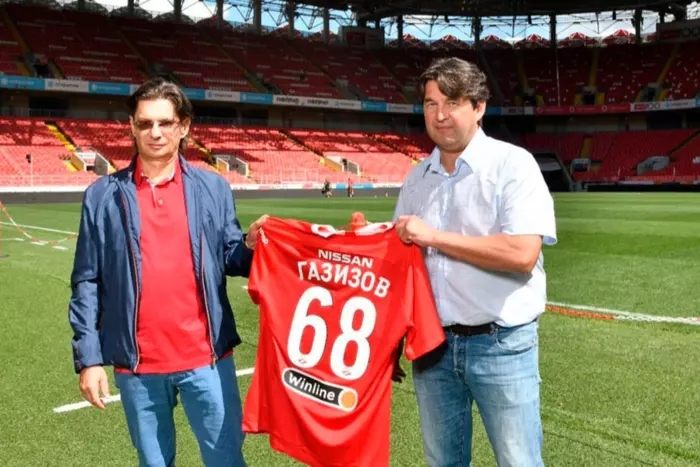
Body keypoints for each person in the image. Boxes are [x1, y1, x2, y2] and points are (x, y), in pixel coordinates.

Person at [68, 78, 267, 467]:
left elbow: (230, 258)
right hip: (138, 367)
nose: (155, 132)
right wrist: (89, 359)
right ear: (132, 126)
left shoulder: (213, 188)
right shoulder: (102, 195)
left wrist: (249, 245)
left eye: (165, 122)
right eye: (145, 123)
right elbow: (86, 281)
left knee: (227, 460)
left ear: (184, 126)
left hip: (208, 360)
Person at [394, 57, 557, 467]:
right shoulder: (416, 179)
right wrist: (392, 340)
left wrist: (433, 236)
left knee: (519, 461)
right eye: (431, 104)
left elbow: (522, 254)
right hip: (432, 348)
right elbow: (402, 268)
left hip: (501, 343)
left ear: (479, 107)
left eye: (452, 102)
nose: (440, 115)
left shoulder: (512, 165)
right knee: (442, 462)